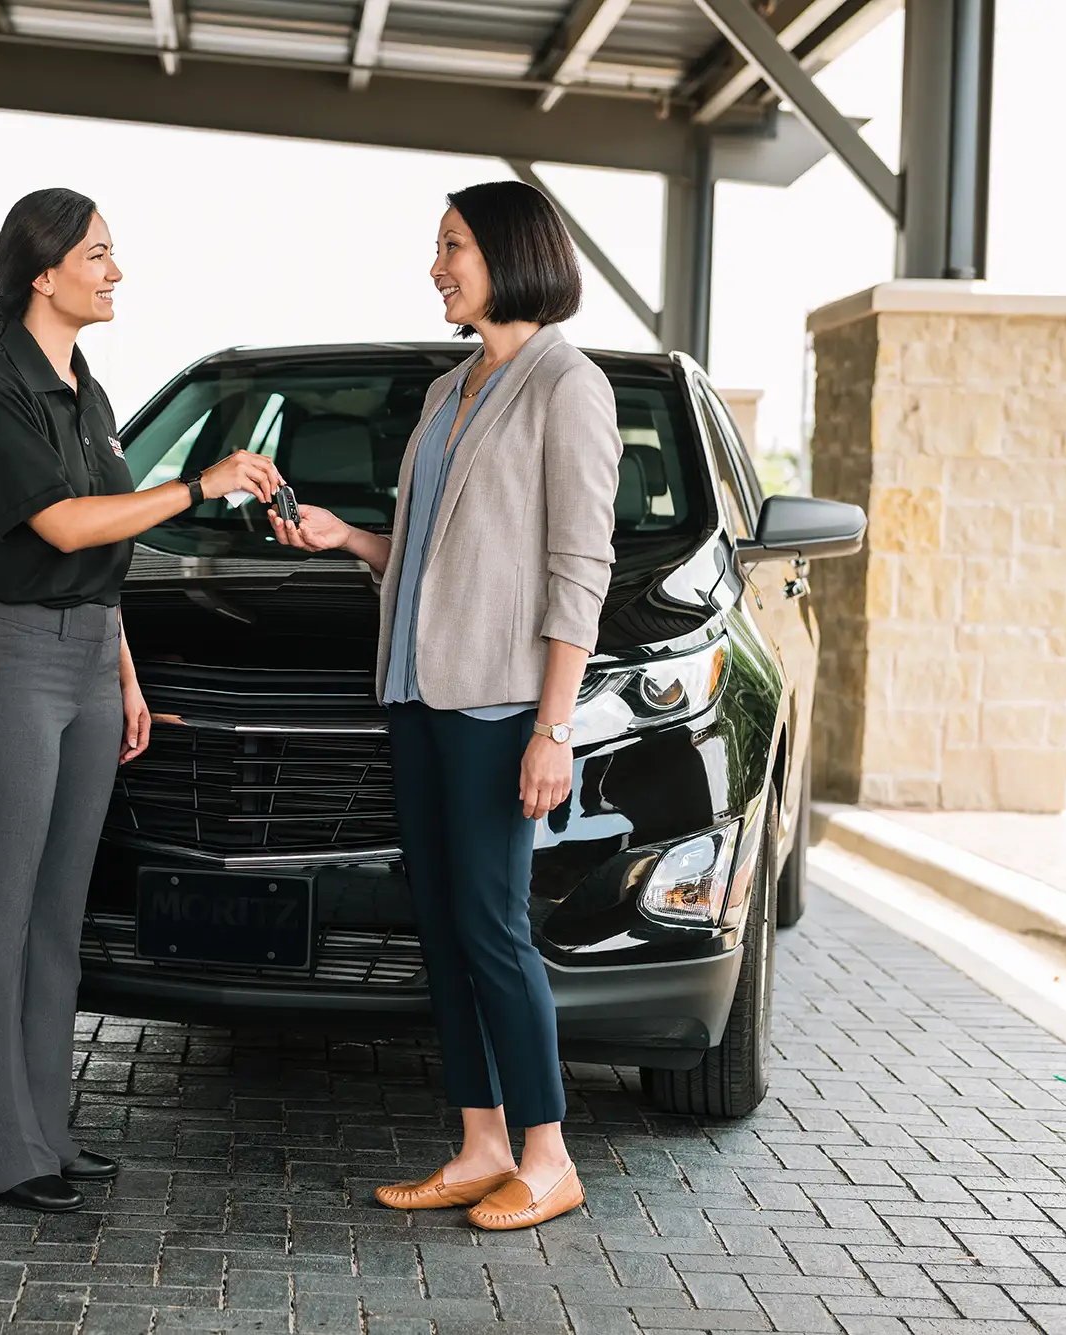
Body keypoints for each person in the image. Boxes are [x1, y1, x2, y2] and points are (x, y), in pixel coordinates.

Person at [270, 180, 620, 1231]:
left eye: (453, 246)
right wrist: (352, 541)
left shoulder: (568, 386)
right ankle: (478, 1144)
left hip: (497, 706)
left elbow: (575, 573)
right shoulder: (448, 389)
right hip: (417, 695)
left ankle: (546, 1155)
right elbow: (434, 556)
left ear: (509, 253)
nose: (437, 266)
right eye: (437, 247)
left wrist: (551, 728)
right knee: (441, 929)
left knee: (491, 927)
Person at [0, 188, 284, 1213]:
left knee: (56, 916)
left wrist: (123, 673)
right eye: (97, 254)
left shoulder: (86, 389)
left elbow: (107, 556)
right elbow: (60, 527)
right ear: (41, 273)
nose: (114, 271)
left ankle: (46, 1133)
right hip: (7, 658)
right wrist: (198, 483)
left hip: (90, 657)